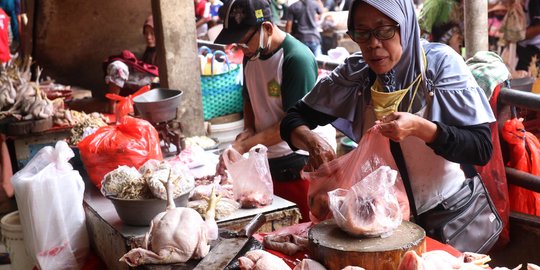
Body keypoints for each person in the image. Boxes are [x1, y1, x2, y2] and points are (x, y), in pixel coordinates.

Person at [280, 0, 495, 226]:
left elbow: (480, 148)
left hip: (444, 217)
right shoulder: (357, 73)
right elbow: (293, 119)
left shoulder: (440, 65)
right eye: (362, 33)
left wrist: (422, 129)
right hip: (383, 222)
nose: (373, 43)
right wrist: (311, 142)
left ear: (406, 25)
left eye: (385, 30)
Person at [214, 0, 336, 222]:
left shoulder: (295, 58)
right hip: (268, 158)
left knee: (301, 231)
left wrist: (242, 146)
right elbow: (248, 97)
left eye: (243, 42)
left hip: (297, 162)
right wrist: (248, 130)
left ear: (267, 28)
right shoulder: (251, 54)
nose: (241, 49)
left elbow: (292, 124)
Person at [516, 0, 540, 72]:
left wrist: (517, 35)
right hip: (527, 49)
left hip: (534, 50)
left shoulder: (536, 2)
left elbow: (538, 27)